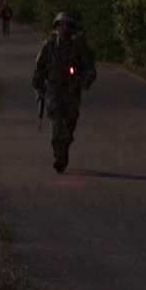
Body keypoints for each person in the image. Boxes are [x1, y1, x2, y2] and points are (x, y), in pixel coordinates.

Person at [32, 12, 97, 173]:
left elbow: (90, 68)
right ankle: (59, 158)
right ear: (56, 27)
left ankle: (64, 149)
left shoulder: (79, 46)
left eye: (68, 26)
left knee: (69, 125)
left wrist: (87, 80)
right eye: (61, 25)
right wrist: (39, 89)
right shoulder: (50, 46)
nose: (64, 28)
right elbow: (39, 69)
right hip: (54, 88)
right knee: (55, 124)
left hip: (72, 90)